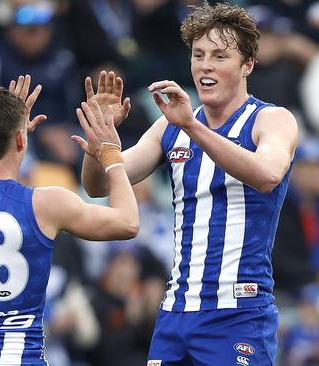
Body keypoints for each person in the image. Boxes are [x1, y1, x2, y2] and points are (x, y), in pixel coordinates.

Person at [79, 3, 298, 365]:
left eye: (219, 56)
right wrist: (99, 141)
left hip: (238, 311)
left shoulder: (271, 119)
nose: (205, 65)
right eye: (198, 55)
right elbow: (100, 185)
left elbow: (267, 175)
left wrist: (193, 127)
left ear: (248, 65)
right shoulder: (169, 126)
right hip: (176, 310)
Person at [0, 74, 138, 364]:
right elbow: (128, 222)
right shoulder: (45, 203)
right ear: (21, 139)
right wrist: (109, 149)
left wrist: (4, 131)